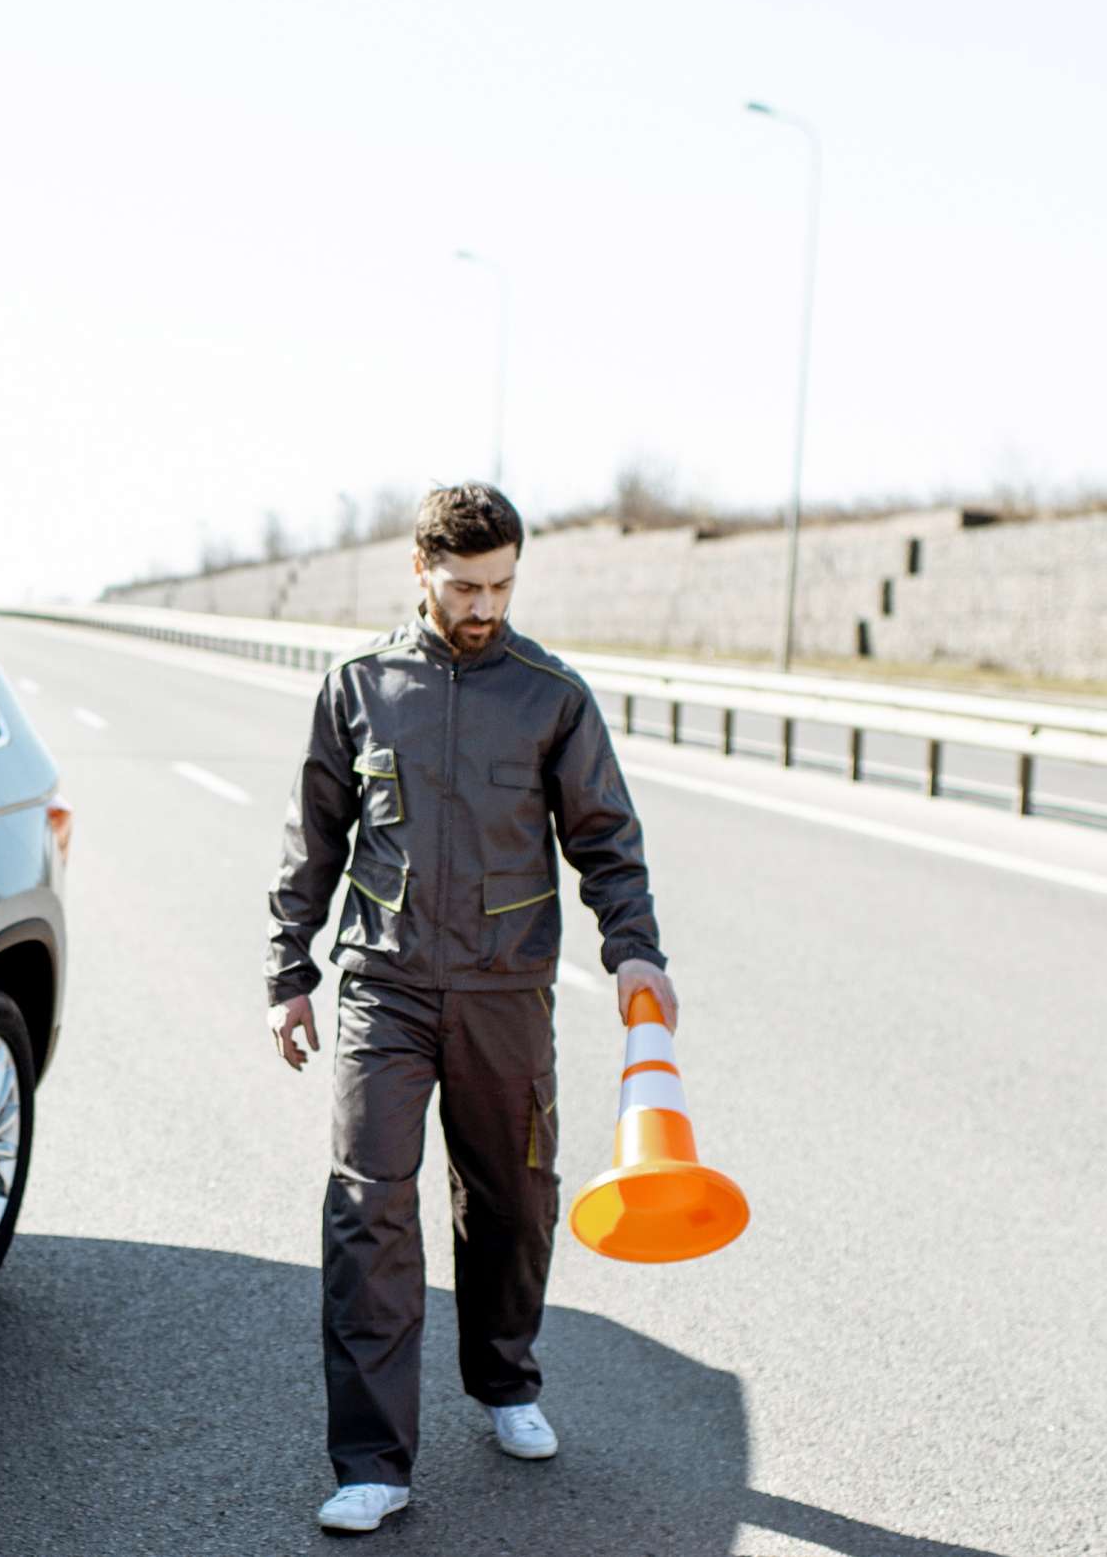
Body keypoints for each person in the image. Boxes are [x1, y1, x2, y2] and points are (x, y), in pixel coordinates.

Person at [262, 482, 677, 1535]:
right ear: (421, 572)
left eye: (501, 584)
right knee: (370, 1205)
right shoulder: (360, 683)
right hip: (385, 985)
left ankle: (504, 1378)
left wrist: (635, 950)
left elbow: (606, 838)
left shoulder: (550, 694)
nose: (485, 604)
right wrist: (288, 969)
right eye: (465, 586)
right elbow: (314, 835)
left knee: (513, 1199)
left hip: (504, 987)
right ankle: (373, 1460)